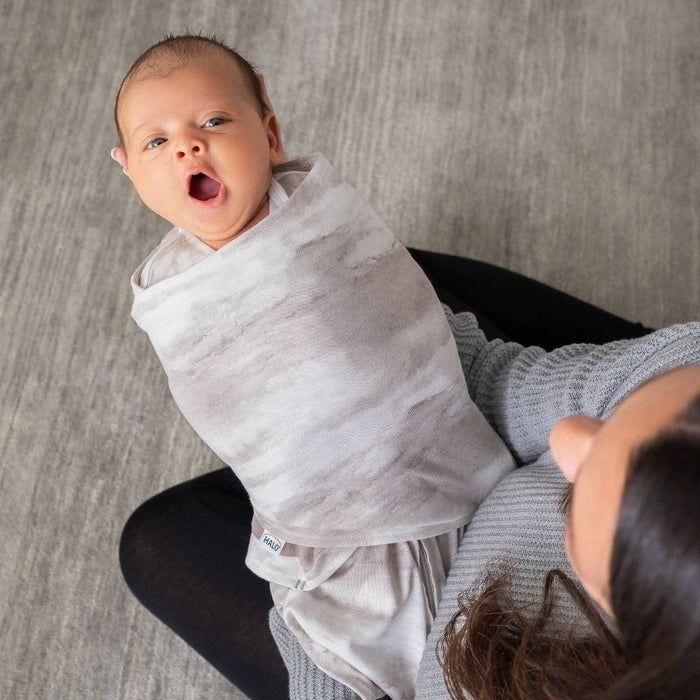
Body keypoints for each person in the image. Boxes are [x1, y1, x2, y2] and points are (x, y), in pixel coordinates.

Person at [111, 32, 527, 699]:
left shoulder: (320, 219)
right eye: (156, 142)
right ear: (129, 170)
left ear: (270, 135)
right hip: (314, 537)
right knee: (319, 643)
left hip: (428, 480)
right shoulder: (168, 293)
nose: (188, 144)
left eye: (214, 121)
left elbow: (415, 337)